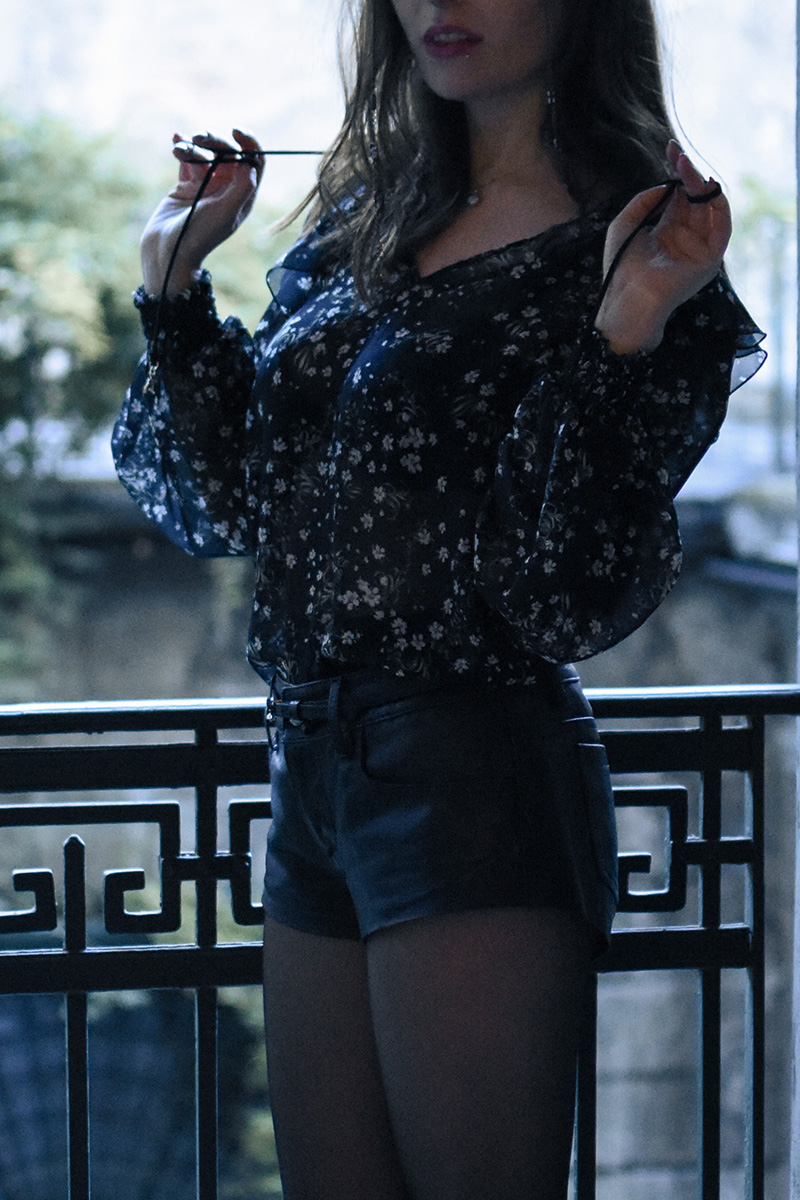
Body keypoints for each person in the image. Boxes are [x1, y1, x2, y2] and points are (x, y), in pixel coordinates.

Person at [113, 0, 765, 1196]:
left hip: (474, 773)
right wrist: (173, 279)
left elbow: (564, 595)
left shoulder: (631, 247)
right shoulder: (365, 218)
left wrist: (623, 329)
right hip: (309, 768)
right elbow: (227, 504)